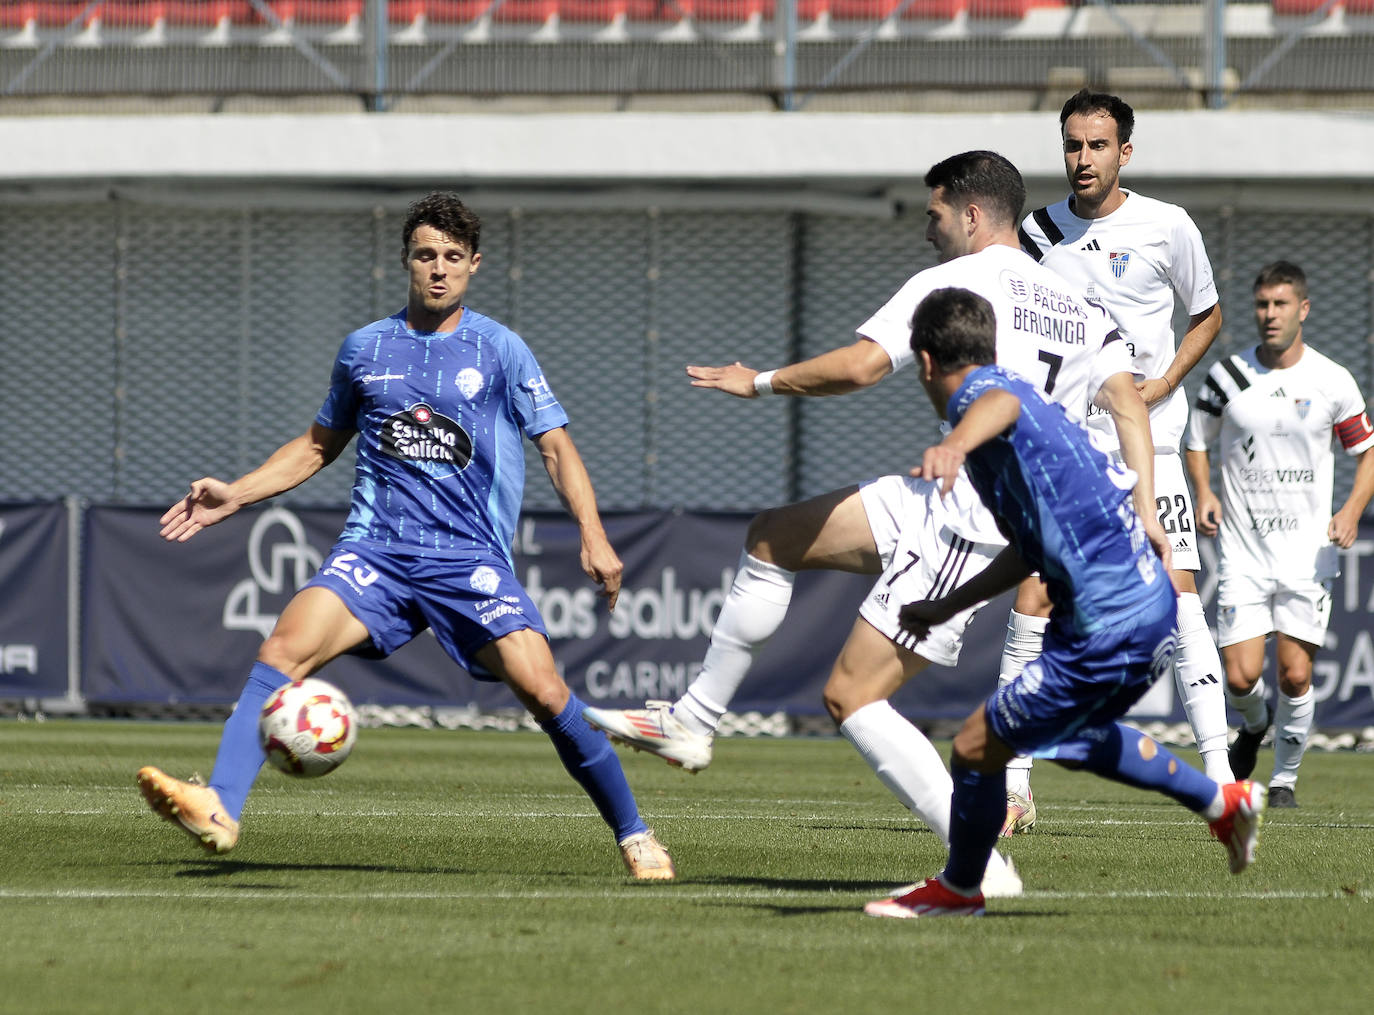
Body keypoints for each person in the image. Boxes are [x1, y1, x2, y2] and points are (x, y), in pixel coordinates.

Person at [583, 151, 1160, 896]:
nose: (929, 230)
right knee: (774, 534)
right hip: (940, 495)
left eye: (934, 213)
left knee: (851, 694)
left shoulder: (955, 281)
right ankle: (695, 718)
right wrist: (1145, 507)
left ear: (971, 213)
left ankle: (978, 859)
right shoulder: (1078, 305)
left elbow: (860, 366)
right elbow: (1128, 403)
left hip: (966, 507)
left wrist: (758, 381)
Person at [137, 192, 675, 880]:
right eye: (426, 255)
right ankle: (219, 805)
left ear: (474, 265)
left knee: (544, 692)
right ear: (406, 261)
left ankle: (635, 835)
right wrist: (236, 492)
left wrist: (593, 535)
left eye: (453, 257)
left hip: (469, 558)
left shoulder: (501, 349)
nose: (439, 269)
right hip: (377, 551)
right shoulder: (365, 348)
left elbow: (557, 448)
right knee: (281, 649)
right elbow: (315, 445)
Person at [863, 287, 1265, 919]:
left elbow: (994, 403)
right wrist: (948, 606)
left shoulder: (984, 394)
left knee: (975, 745)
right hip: (1137, 607)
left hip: (1114, 614)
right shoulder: (1020, 435)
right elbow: (1029, 548)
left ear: (924, 360)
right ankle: (1223, 804)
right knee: (1057, 736)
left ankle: (961, 889)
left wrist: (955, 443)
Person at [1009, 88, 1231, 836]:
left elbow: (1208, 315)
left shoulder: (1168, 226)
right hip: (1073, 444)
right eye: (1072, 145)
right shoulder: (1037, 232)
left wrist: (1166, 383)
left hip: (1154, 435)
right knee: (1036, 593)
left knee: (1178, 593)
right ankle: (1014, 785)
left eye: (1097, 146)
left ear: (1124, 152)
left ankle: (1224, 778)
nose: (1082, 159)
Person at [1186, 261, 1374, 808]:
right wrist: (1204, 492)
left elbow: (1366, 454)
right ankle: (1254, 724)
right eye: (1263, 304)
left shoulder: (1332, 380)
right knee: (1241, 677)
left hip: (1307, 553)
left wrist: (1352, 511)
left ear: (1303, 309)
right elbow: (1197, 440)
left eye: (1281, 304)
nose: (1270, 314)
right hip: (1243, 551)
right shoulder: (1228, 376)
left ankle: (1286, 780)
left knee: (1295, 673)